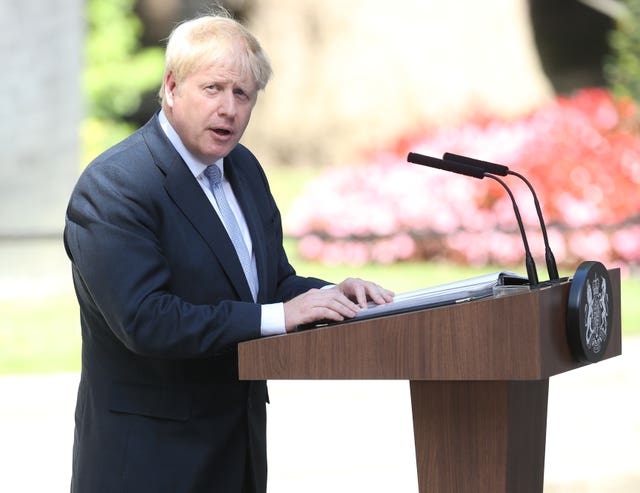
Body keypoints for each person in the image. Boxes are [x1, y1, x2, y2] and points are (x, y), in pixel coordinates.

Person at [64, 11, 393, 493]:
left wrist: (335, 295)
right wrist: (279, 316)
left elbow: (271, 284)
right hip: (150, 462)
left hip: (235, 453)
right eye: (213, 88)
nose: (229, 108)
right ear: (172, 87)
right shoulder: (116, 185)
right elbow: (147, 320)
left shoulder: (242, 169)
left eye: (243, 94)